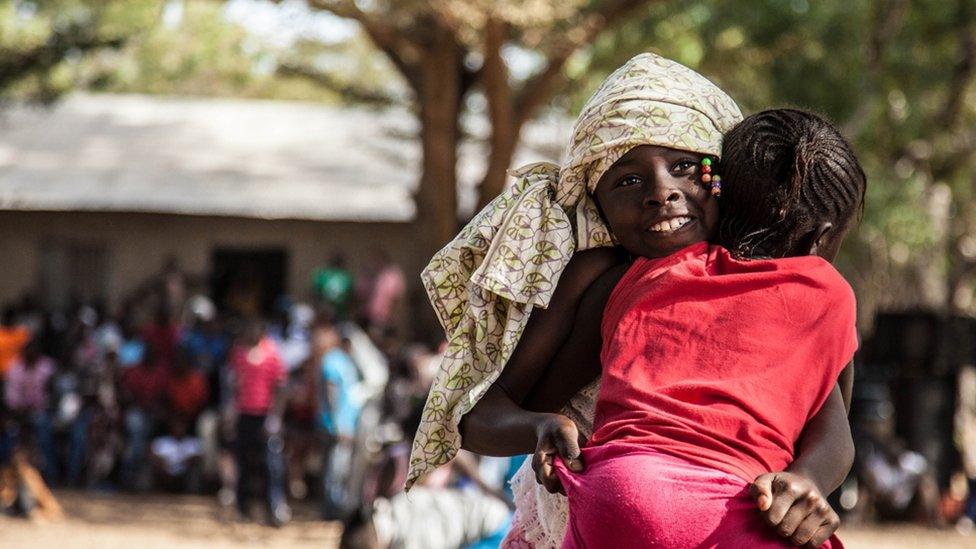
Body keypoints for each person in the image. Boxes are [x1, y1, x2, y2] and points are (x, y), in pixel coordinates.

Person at [409, 54, 858, 547]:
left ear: (721, 178)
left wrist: (808, 480)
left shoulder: (770, 285)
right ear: (595, 203)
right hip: (591, 508)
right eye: (626, 181)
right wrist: (540, 427)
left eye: (685, 167)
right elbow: (481, 414)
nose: (661, 193)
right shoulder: (606, 279)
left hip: (706, 508)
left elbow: (830, 424)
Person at [228, 319, 290, 526]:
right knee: (243, 463)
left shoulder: (272, 354)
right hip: (245, 414)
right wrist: (230, 412)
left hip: (265, 415)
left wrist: (275, 418)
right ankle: (242, 507)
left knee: (272, 465)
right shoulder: (238, 354)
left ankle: (275, 508)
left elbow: (281, 388)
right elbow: (233, 385)